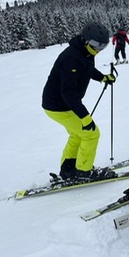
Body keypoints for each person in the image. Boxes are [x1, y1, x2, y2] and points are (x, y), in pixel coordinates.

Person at [42, 21, 118, 180]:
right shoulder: (72, 57)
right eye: (97, 45)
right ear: (85, 40)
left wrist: (102, 77)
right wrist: (84, 117)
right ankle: (84, 171)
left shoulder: (85, 52)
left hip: (62, 104)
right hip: (58, 106)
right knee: (91, 134)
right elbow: (68, 93)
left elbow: (87, 69)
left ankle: (69, 169)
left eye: (103, 46)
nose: (99, 49)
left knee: (77, 135)